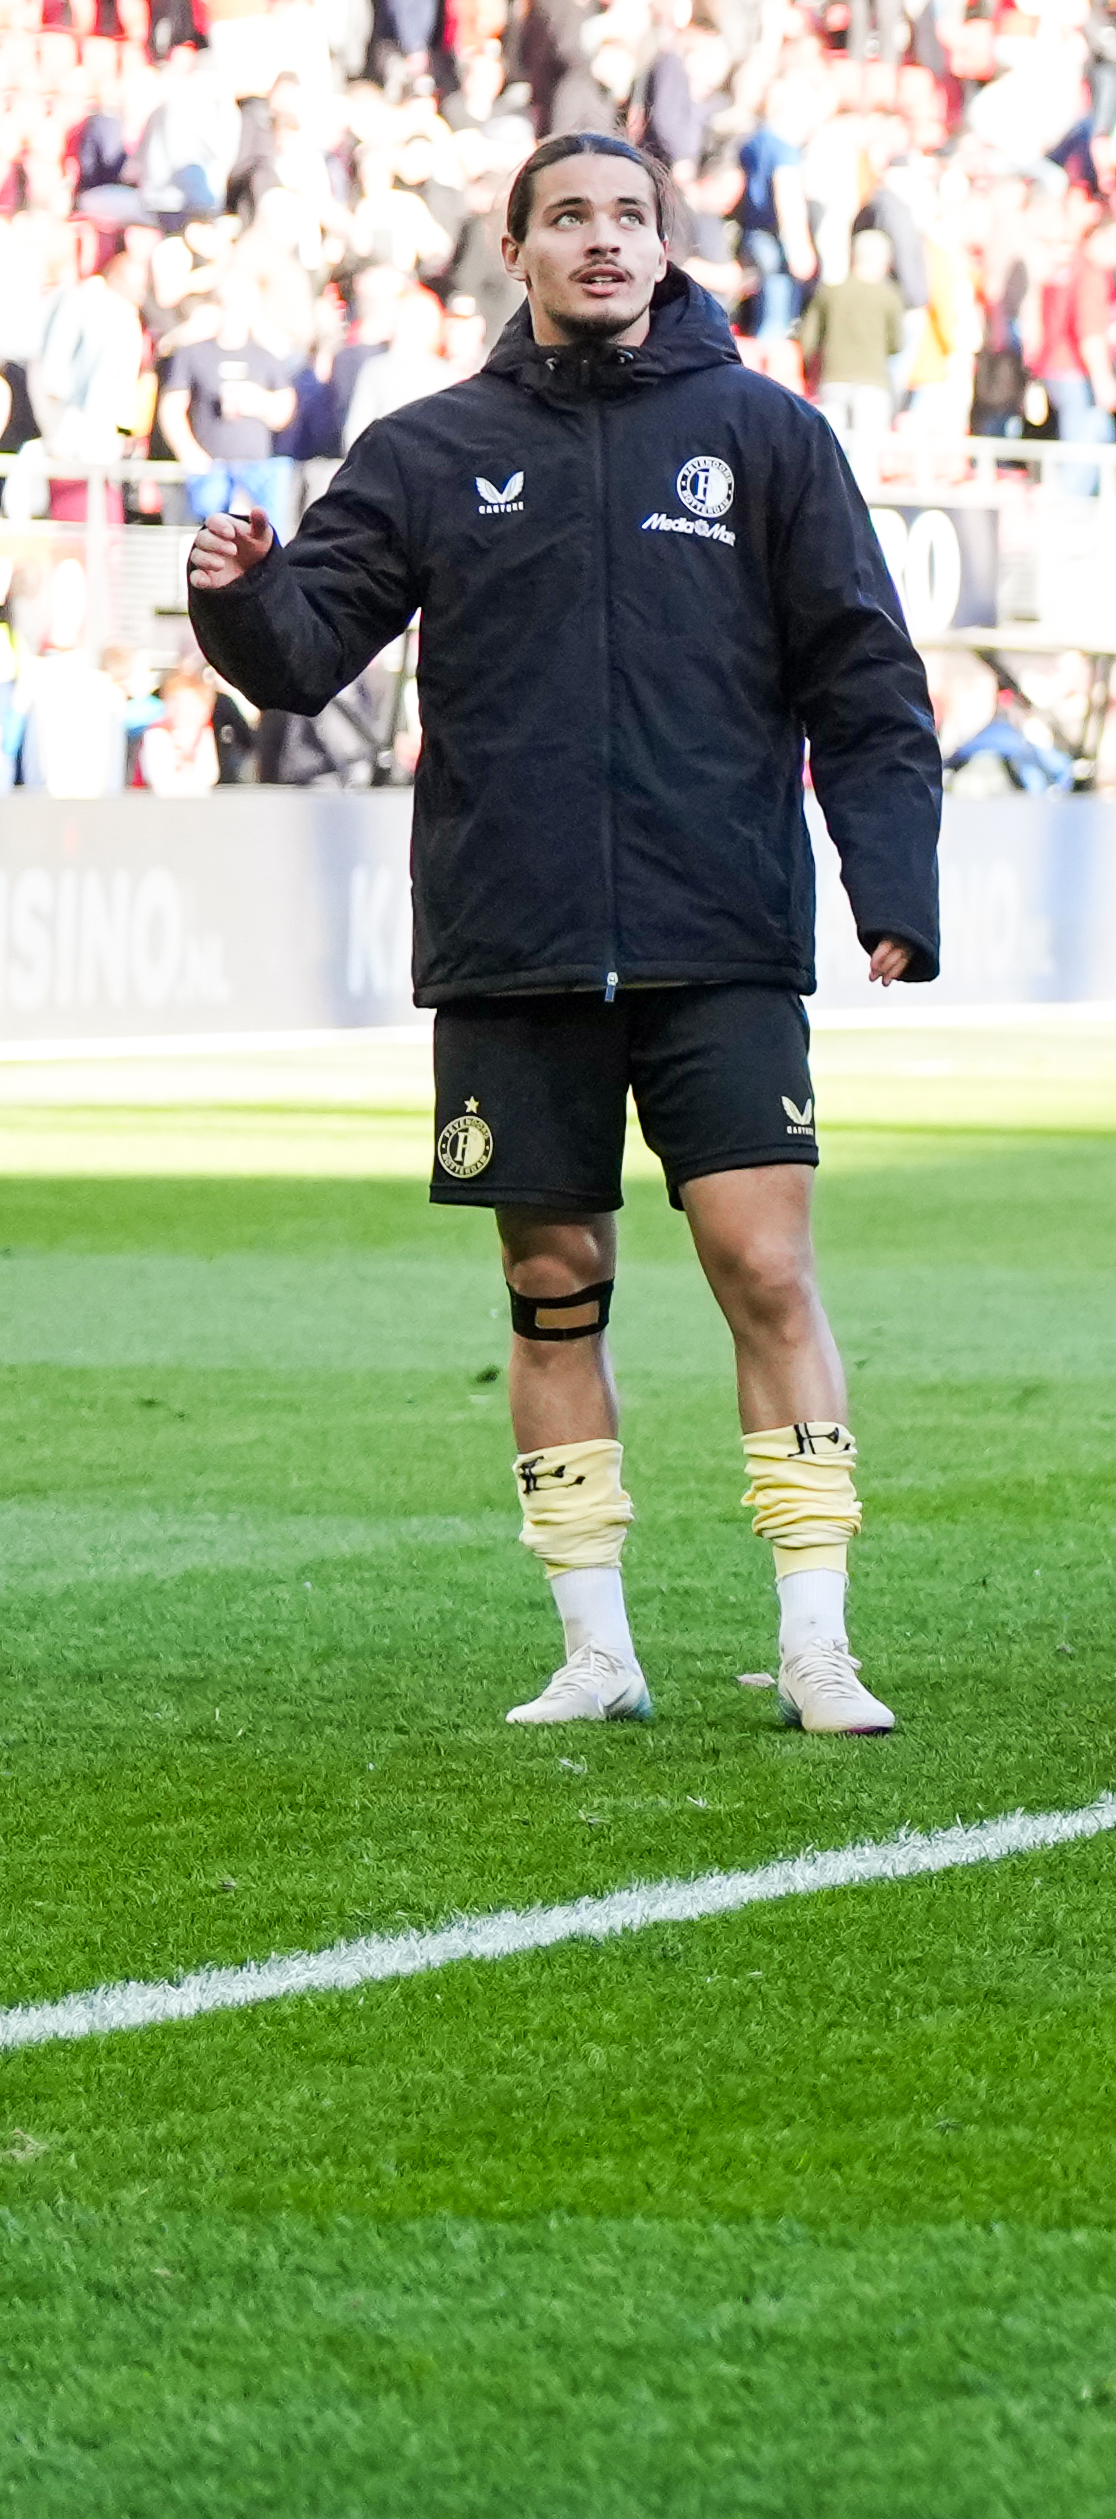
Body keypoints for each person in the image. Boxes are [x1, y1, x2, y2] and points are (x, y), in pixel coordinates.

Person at [184, 130, 941, 1730]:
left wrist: (891, 884)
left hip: (719, 929)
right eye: (570, 217)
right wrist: (239, 595)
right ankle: (597, 1650)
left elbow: (865, 676)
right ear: (515, 248)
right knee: (552, 1283)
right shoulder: (427, 449)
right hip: (512, 938)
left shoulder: (766, 433)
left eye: (630, 217)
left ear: (666, 247)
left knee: (766, 1266)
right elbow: (305, 656)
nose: (603, 240)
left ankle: (818, 1641)